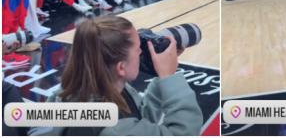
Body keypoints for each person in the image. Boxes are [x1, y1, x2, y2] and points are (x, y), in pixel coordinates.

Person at [41, 16, 203, 135]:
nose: (142, 51)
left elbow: (142, 121)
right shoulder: (114, 129)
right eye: (139, 48)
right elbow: (185, 132)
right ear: (121, 67)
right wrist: (169, 77)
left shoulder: (90, 87)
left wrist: (159, 75)